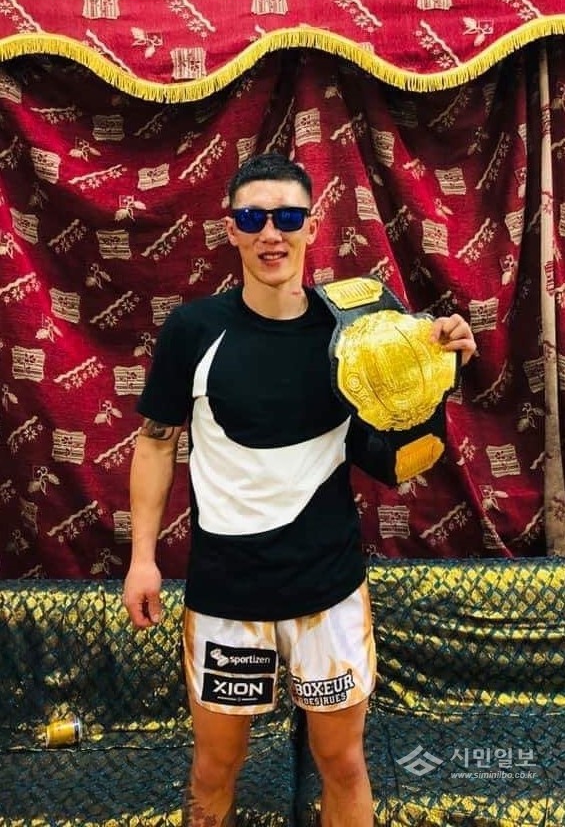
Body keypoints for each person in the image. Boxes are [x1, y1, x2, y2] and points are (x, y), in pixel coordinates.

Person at [122, 152, 476, 827]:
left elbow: (393, 457)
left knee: (342, 763)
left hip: (327, 588)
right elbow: (156, 442)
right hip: (226, 592)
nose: (270, 234)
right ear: (231, 227)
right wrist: (142, 558)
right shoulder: (194, 330)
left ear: (311, 227)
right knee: (214, 767)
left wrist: (436, 369)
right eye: (253, 218)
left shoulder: (359, 331)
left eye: (287, 217)